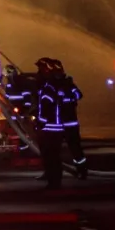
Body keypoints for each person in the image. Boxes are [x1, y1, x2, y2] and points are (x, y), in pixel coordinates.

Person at [35, 58, 67, 189]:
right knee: (54, 156)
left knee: (50, 157)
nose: (38, 73)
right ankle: (55, 180)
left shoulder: (48, 89)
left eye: (41, 70)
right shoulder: (55, 87)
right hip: (57, 128)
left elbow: (46, 109)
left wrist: (40, 123)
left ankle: (53, 182)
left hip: (50, 129)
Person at [54, 61, 88, 179]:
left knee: (75, 148)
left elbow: (79, 95)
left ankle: (82, 170)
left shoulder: (69, 85)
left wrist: (67, 95)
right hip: (58, 124)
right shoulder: (52, 85)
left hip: (69, 123)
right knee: (54, 150)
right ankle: (54, 172)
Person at [4, 64, 34, 152]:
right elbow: (7, 97)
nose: (6, 77)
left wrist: (25, 108)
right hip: (14, 112)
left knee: (23, 130)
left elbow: (27, 96)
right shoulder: (9, 85)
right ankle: (21, 149)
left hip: (21, 111)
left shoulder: (21, 83)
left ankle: (25, 148)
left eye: (7, 75)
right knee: (17, 131)